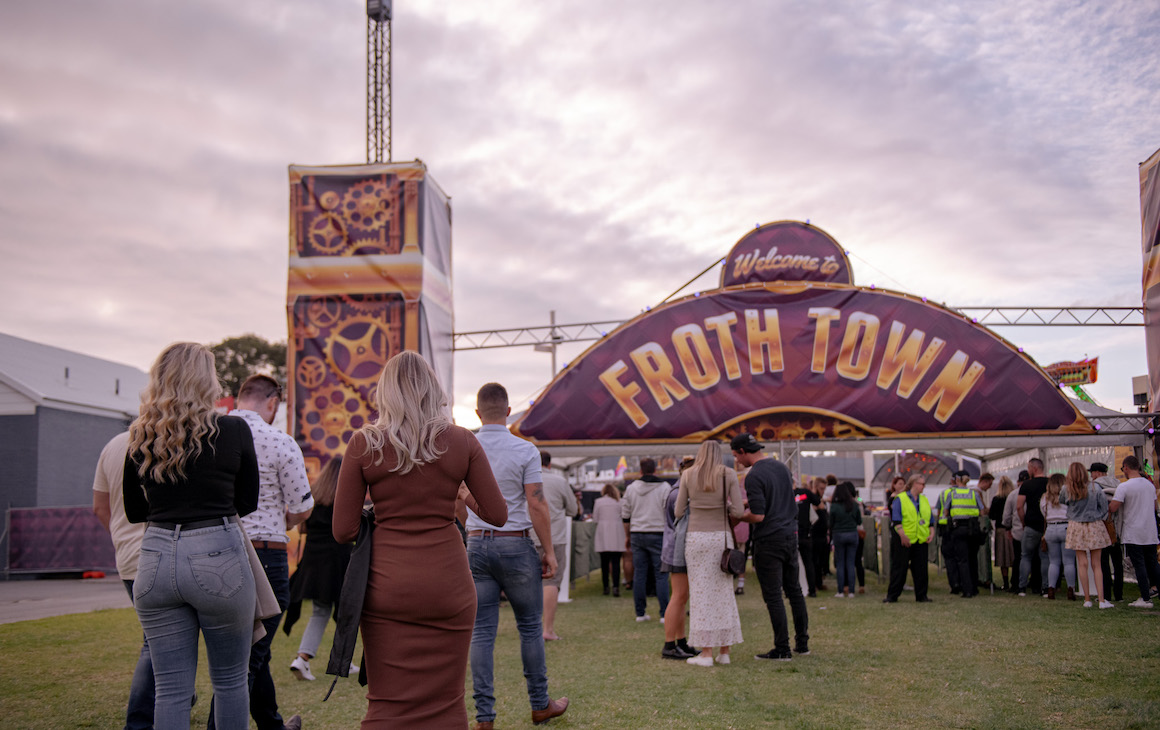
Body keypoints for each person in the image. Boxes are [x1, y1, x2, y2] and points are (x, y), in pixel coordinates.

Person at [332, 353, 508, 727]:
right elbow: (497, 514)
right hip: (449, 585)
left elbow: (343, 531)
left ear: (385, 393)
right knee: (448, 703)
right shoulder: (463, 442)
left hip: (386, 587)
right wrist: (460, 493)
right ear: (434, 391)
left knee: (386, 702)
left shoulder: (365, 444)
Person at [122, 342, 260, 730]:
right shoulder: (233, 429)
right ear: (207, 380)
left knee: (170, 690)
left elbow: (135, 512)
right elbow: (246, 502)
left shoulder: (140, 436)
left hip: (155, 558)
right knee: (231, 681)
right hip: (217, 552)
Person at [207, 374, 314, 730]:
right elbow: (302, 506)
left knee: (254, 649)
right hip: (265, 552)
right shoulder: (279, 441)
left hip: (217, 548)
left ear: (239, 398)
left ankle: (272, 725)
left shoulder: (211, 435)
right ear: (273, 403)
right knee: (250, 656)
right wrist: (279, 520)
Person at [465, 382, 569, 729]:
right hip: (516, 543)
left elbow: (456, 496)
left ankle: (484, 717)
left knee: (481, 632)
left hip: (477, 543)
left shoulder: (467, 445)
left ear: (478, 413)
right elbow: (537, 503)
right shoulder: (524, 450)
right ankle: (540, 705)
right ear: (509, 412)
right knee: (529, 627)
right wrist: (550, 552)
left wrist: (473, 530)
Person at [93, 430, 155, 730]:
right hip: (159, 550)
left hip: (127, 559)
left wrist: (119, 538)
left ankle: (175, 695)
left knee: (156, 640)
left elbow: (99, 507)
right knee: (156, 643)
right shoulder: (165, 437)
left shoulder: (112, 445)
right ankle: (140, 721)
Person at [731, 433, 809, 661]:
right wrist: (747, 503)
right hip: (790, 536)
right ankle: (802, 644)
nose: (737, 461)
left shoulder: (753, 476)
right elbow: (777, 498)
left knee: (773, 595)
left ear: (744, 451)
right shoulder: (781, 467)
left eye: (736, 455)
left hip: (769, 541)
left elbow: (758, 515)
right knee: (794, 591)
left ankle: (782, 648)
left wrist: (737, 517)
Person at [674, 440, 746, 667]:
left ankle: (705, 652)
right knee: (724, 593)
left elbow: (678, 510)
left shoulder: (688, 475)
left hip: (696, 539)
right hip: (720, 539)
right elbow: (739, 511)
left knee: (700, 594)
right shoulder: (728, 474)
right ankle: (724, 652)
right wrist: (723, 507)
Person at [284, 457, 353, 681]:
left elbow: (303, 527)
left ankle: (304, 659)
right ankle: (329, 659)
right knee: (346, 612)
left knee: (321, 611)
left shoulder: (314, 498)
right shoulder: (344, 500)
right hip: (339, 564)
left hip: (314, 565)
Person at [621, 458, 670, 622]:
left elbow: (625, 515)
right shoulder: (664, 487)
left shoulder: (631, 489)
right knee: (661, 574)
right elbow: (669, 512)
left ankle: (640, 613)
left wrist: (627, 536)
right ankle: (664, 614)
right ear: (655, 470)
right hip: (658, 532)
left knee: (639, 574)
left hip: (637, 533)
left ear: (640, 471)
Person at [1110, 455, 1160, 608]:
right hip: (1150, 531)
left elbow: (1113, 507)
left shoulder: (1124, 487)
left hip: (1133, 532)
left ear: (1125, 467)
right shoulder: (1149, 486)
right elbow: (1155, 507)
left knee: (1139, 565)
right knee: (1153, 564)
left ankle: (1145, 598)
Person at [1059, 462, 1111, 608]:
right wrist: (1097, 516)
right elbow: (1104, 507)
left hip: (1076, 525)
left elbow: (1062, 501)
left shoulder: (1066, 489)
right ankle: (1101, 600)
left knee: (1081, 563)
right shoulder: (1095, 487)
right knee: (1097, 564)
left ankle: (1087, 599)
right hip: (1094, 524)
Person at [537, 451, 577, 641]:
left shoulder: (524, 479)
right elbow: (573, 509)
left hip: (528, 536)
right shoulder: (560, 481)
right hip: (555, 537)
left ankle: (531, 627)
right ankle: (548, 629)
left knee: (528, 583)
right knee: (551, 582)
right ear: (550, 464)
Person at [661, 457, 697, 660]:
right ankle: (669, 645)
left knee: (682, 598)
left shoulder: (678, 491)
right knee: (678, 597)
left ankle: (681, 642)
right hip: (677, 549)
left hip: (676, 548)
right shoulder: (679, 495)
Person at [883, 474, 934, 603]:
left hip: (920, 539)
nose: (923, 486)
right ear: (914, 484)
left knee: (921, 569)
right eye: (922, 484)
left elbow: (930, 519)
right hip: (904, 539)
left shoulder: (924, 500)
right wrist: (902, 535)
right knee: (899, 568)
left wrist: (931, 532)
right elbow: (896, 520)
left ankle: (922, 595)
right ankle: (892, 596)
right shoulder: (900, 499)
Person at [939, 469, 986, 598]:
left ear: (957, 480)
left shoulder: (952, 494)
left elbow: (946, 512)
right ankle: (975, 587)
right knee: (972, 559)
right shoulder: (974, 493)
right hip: (973, 528)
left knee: (962, 560)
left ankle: (967, 590)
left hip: (959, 529)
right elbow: (982, 512)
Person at [1040, 473, 1078, 601]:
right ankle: (1071, 589)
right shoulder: (1069, 495)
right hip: (1066, 527)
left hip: (1051, 528)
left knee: (1054, 562)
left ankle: (1051, 589)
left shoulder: (1045, 498)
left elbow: (1043, 513)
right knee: (1068, 562)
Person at [1091, 462, 1125, 602]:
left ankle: (1105, 594)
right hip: (1118, 528)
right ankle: (1119, 594)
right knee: (1118, 564)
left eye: (1092, 472)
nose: (1091, 476)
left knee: (1103, 562)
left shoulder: (1095, 486)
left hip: (1102, 527)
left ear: (1097, 473)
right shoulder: (1119, 484)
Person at [1016, 458, 1050, 597]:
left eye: (1029, 468)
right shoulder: (1049, 483)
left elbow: (1019, 506)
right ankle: (1045, 588)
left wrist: (1023, 521)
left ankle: (1022, 588)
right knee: (1045, 557)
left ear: (1033, 468)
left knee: (1025, 556)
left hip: (1030, 525)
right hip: (1046, 525)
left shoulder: (1026, 485)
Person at [828, 482, 861, 598]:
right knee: (851, 563)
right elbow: (859, 521)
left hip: (839, 534)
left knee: (840, 563)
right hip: (852, 534)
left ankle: (840, 591)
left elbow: (830, 523)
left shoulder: (834, 506)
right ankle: (851, 591)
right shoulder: (854, 505)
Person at [592, 484, 624, 596]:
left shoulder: (598, 502)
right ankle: (616, 587)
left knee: (604, 563)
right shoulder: (619, 502)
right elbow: (624, 515)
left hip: (603, 533)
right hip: (616, 533)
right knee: (616, 563)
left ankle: (605, 587)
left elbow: (595, 518)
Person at [794, 478, 822, 597]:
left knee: (791, 564)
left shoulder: (784, 494)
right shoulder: (806, 493)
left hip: (791, 533)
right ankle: (812, 590)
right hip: (806, 533)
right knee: (808, 563)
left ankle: (793, 589)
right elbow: (819, 504)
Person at [989, 476, 1016, 592]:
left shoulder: (996, 499)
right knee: (1014, 556)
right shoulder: (1013, 498)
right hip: (1013, 529)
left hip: (1000, 530)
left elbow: (992, 516)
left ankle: (1006, 583)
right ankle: (1015, 581)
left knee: (1002, 558)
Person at [810, 477, 831, 590]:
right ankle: (814, 583)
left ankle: (818, 582)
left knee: (820, 561)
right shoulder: (810, 498)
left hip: (822, 535)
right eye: (821, 488)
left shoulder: (821, 500)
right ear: (815, 487)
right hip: (814, 535)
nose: (823, 491)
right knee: (814, 561)